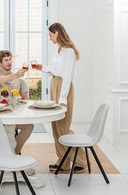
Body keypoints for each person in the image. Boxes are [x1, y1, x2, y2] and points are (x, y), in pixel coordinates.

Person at [36, 23, 86, 172]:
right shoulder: (58, 50)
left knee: (63, 127)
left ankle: (80, 161)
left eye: (50, 35)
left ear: (57, 33)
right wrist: (42, 68)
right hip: (55, 85)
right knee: (56, 127)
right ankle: (63, 161)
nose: (49, 38)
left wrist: (63, 100)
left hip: (64, 88)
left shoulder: (69, 52)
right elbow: (56, 71)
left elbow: (67, 76)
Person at [0, 50, 34, 155]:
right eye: (6, 60)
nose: (9, 62)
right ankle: (7, 153)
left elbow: (25, 100)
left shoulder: (20, 80)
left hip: (13, 116)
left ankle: (13, 152)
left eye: (10, 59)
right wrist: (15, 76)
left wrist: (23, 100)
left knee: (29, 126)